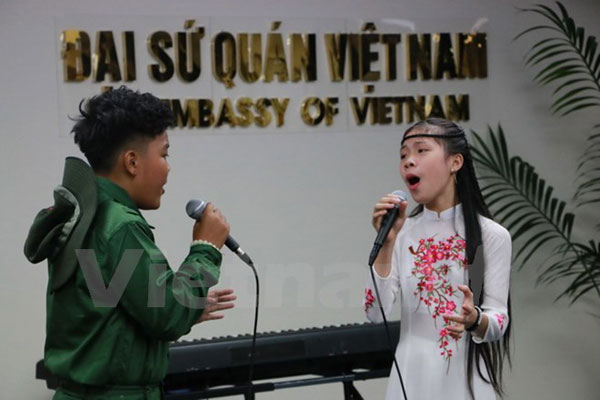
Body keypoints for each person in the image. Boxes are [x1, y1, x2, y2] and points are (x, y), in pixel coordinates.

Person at [24, 86, 235, 399]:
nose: (168, 167)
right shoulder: (120, 225)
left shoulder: (86, 215)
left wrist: (185, 306)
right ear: (132, 162)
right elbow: (167, 316)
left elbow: (111, 309)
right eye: (164, 154)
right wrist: (206, 248)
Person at [364, 118, 511, 399]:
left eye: (421, 151)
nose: (409, 161)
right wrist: (387, 243)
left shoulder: (489, 235)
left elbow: (499, 320)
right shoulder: (400, 234)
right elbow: (374, 312)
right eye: (403, 155)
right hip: (411, 376)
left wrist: (474, 319)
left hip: (465, 382)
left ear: (455, 162)